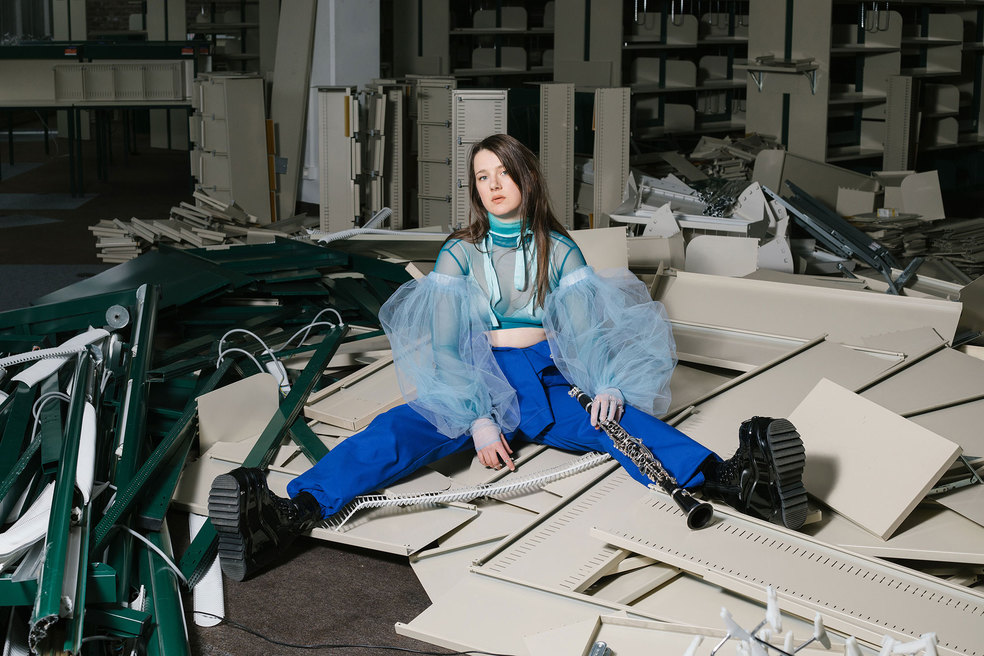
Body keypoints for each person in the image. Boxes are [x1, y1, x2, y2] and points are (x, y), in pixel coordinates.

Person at [208, 134, 807, 582]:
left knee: (624, 427)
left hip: (548, 377)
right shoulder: (459, 253)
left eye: (503, 172)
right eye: (482, 176)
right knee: (395, 432)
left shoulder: (560, 249)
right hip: (477, 375)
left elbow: (587, 333)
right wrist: (476, 416)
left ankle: (736, 481)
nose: (493, 185)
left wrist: (608, 383)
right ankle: (288, 516)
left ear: (526, 177)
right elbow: (446, 347)